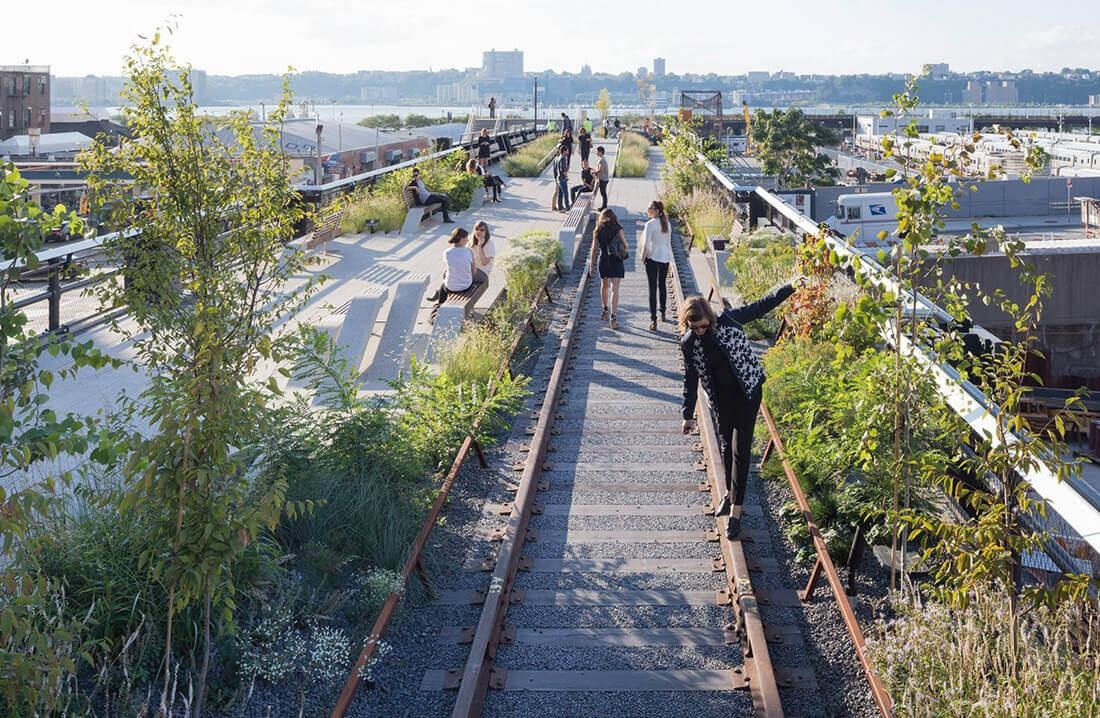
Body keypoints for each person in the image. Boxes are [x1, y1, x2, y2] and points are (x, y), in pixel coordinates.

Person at [679, 282, 801, 539]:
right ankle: (728, 494)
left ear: (709, 319)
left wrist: (790, 287)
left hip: (747, 393)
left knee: (740, 449)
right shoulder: (689, 342)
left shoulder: (728, 320)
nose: (700, 331)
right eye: (695, 328)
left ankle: (736, 512)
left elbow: (760, 306)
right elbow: (690, 378)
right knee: (726, 447)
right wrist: (687, 415)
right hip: (721, 399)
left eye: (703, 326)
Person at [590, 208, 627, 329]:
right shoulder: (618, 229)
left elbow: (594, 249)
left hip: (604, 260)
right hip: (616, 260)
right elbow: (625, 245)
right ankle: (613, 316)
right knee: (615, 289)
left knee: (604, 285)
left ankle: (605, 310)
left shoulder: (598, 230)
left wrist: (592, 265)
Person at [639, 200, 673, 331]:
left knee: (652, 288)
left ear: (657, 211)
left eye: (650, 208)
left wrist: (643, 258)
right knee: (662, 285)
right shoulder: (667, 224)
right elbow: (668, 244)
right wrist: (671, 261)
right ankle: (663, 312)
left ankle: (654, 319)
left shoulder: (650, 224)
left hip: (653, 257)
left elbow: (646, 245)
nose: (648, 210)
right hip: (665, 257)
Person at [427, 227, 479, 308]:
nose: (468, 240)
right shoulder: (469, 251)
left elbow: (448, 269)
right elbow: (474, 271)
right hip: (466, 287)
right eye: (466, 238)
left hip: (450, 287)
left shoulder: (447, 252)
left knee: (444, 284)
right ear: (461, 239)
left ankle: (439, 305)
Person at [553, 145, 571, 212]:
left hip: (558, 178)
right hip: (562, 178)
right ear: (564, 151)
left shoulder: (558, 157)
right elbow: (562, 169)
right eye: (567, 150)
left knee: (560, 193)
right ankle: (567, 207)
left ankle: (560, 207)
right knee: (565, 193)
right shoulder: (563, 158)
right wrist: (566, 176)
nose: (568, 152)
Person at [593, 146, 610, 210]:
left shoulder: (602, 160)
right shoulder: (603, 159)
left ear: (600, 152)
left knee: (603, 193)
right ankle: (604, 206)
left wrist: (594, 172)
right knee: (603, 193)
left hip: (603, 179)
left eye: (597, 151)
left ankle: (604, 207)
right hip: (604, 179)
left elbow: (601, 170)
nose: (596, 153)